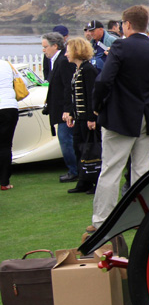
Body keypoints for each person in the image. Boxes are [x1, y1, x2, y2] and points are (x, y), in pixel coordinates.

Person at [86, 5, 149, 237]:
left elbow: (104, 81)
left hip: (121, 116)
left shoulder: (120, 46)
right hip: (148, 115)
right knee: (142, 169)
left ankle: (103, 219)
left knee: (111, 168)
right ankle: (143, 217)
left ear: (127, 25)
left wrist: (96, 107)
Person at [62, 37, 99, 194]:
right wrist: (71, 112)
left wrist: (92, 117)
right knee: (79, 148)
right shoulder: (79, 70)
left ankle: (95, 181)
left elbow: (92, 95)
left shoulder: (88, 70)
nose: (66, 54)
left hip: (86, 118)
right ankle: (84, 181)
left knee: (91, 149)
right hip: (79, 118)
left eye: (68, 51)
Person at [41, 32, 77, 182]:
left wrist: (67, 109)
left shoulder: (62, 61)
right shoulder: (58, 60)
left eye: (45, 47)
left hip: (65, 109)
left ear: (55, 46)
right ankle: (74, 170)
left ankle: (74, 170)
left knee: (66, 139)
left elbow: (68, 87)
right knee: (66, 139)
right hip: (62, 108)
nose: (43, 50)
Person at [0, 59, 26, 190]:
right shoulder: (7, 64)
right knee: (5, 145)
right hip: (9, 106)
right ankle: (4, 182)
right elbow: (23, 82)